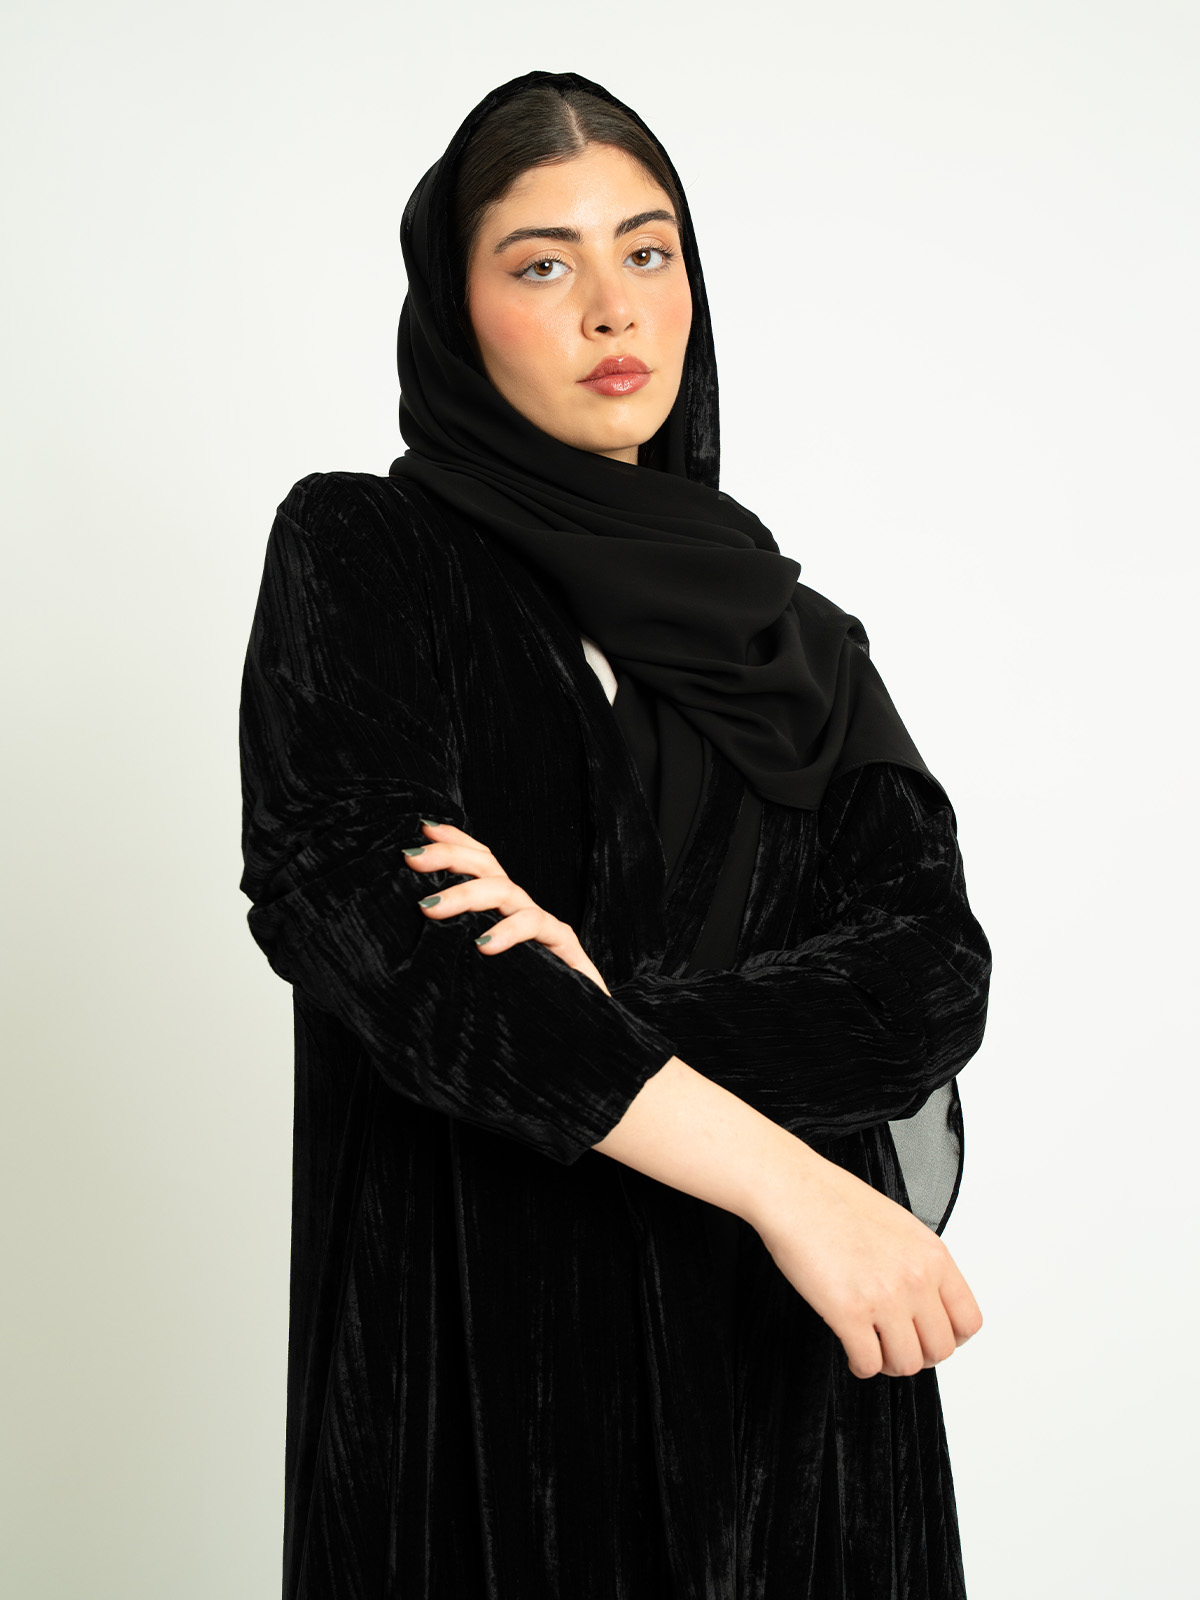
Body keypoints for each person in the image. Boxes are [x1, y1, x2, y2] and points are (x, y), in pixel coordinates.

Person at [239, 68, 992, 1600]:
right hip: (498, 1382)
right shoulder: (366, 554)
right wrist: (792, 1184)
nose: (612, 309)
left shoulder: (802, 644)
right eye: (543, 264)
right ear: (454, 312)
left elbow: (929, 972)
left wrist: (599, 1012)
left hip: (801, 1403)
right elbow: (380, 933)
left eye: (648, 252)